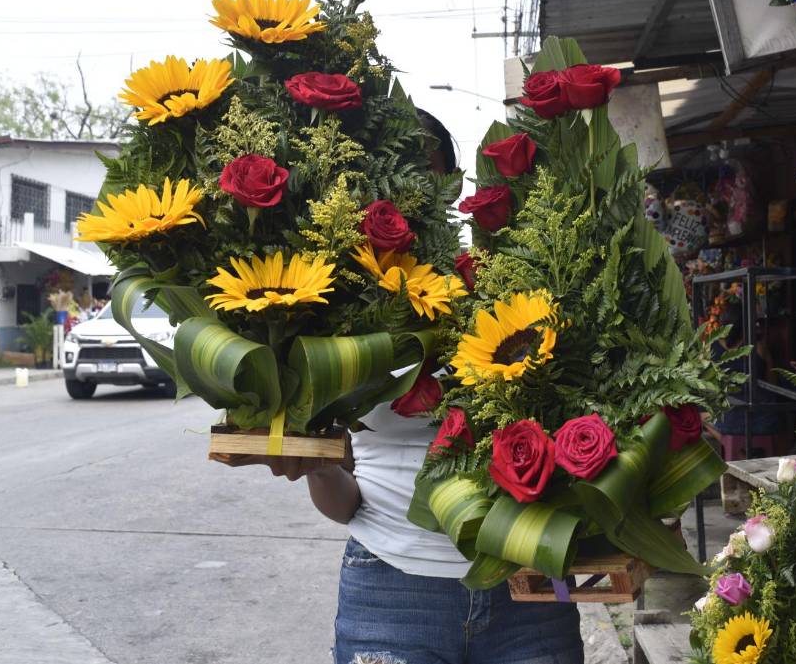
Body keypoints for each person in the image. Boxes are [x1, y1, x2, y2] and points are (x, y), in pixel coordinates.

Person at [215, 113, 583, 664]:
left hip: (527, 587)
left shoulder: (509, 279)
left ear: (451, 184)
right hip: (391, 588)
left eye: (425, 176)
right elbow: (346, 502)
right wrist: (316, 464)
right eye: (394, 173)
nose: (411, 194)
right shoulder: (345, 307)